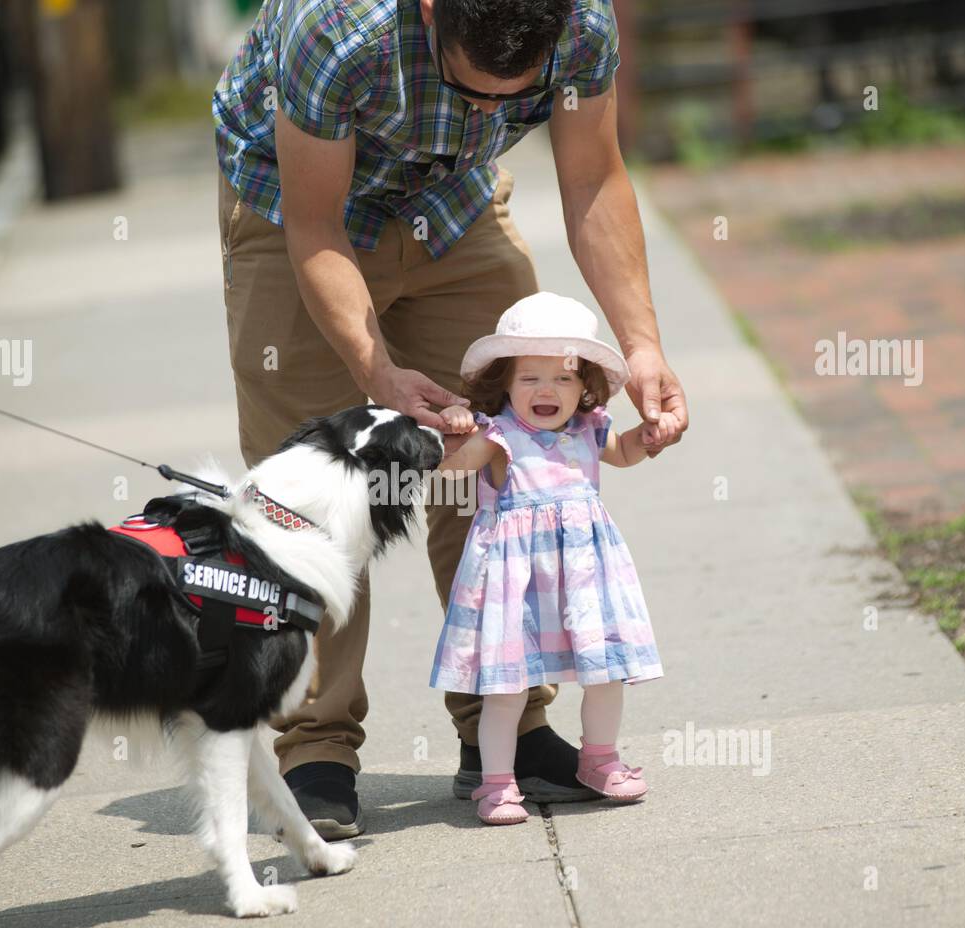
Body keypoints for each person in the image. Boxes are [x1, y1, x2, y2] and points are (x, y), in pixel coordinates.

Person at [211, 0, 688, 839]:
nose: (490, 116)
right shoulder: (339, 28)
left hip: (453, 207)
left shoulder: (579, 20)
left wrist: (641, 343)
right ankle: (316, 743)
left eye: (513, 102)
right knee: (315, 489)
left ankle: (506, 724)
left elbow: (592, 178)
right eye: (472, 94)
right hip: (297, 212)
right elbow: (317, 224)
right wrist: (377, 373)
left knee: (506, 452)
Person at [431, 291, 670, 823]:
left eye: (563, 378)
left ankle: (599, 759)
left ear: (585, 387)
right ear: (504, 385)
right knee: (508, 685)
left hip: (584, 577)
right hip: (518, 582)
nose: (547, 390)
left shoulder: (590, 429)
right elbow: (449, 474)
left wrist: (650, 438)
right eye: (529, 378)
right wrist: (454, 430)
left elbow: (625, 453)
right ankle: (495, 783)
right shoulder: (500, 437)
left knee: (604, 669)